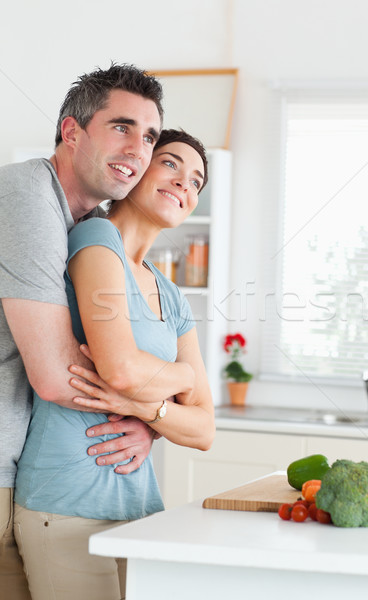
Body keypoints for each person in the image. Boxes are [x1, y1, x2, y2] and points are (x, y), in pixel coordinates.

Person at [14, 128, 215, 600]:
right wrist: (181, 379)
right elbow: (121, 369)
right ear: (140, 166)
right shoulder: (96, 237)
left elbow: (204, 429)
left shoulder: (170, 293)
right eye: (171, 164)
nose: (184, 184)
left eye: (196, 182)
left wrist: (151, 414)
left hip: (139, 506)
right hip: (67, 501)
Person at [0, 63, 164, 600]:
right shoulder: (26, 196)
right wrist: (157, 409)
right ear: (71, 133)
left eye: (150, 136)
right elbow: (56, 375)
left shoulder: (84, 230)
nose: (138, 149)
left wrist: (153, 424)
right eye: (121, 127)